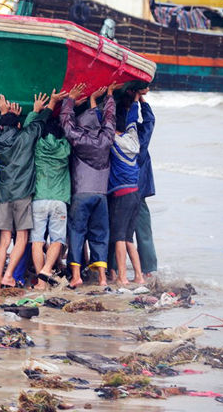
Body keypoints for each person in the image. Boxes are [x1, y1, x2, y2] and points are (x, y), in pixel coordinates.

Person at [0, 91, 62, 289]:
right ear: (19, 125)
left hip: (3, 195)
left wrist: (2, 114)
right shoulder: (25, 137)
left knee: (4, 240)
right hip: (22, 195)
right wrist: (48, 104)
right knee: (21, 237)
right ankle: (9, 275)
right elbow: (39, 123)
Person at [60, 82, 118, 288]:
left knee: (77, 233)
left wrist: (71, 99)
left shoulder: (79, 139)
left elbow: (66, 123)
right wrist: (109, 96)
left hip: (81, 193)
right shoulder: (106, 138)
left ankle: (76, 276)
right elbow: (110, 118)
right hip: (101, 195)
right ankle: (102, 278)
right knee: (100, 235)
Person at [31, 113, 72, 290]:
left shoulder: (38, 146)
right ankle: (47, 269)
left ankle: (40, 283)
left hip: (39, 199)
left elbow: (29, 128)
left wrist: (35, 113)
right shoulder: (65, 148)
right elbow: (71, 133)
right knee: (58, 239)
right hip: (58, 200)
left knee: (37, 241)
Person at [108, 91, 144, 285]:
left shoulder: (115, 143)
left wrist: (106, 100)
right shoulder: (133, 139)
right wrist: (137, 101)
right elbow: (132, 120)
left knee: (119, 237)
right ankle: (138, 276)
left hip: (121, 194)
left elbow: (105, 125)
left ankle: (122, 277)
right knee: (129, 238)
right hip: (135, 194)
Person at [134, 88, 158, 276]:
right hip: (139, 192)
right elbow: (149, 121)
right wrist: (141, 101)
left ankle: (113, 269)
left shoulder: (117, 139)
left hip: (118, 191)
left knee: (117, 234)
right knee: (144, 233)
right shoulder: (142, 140)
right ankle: (148, 270)